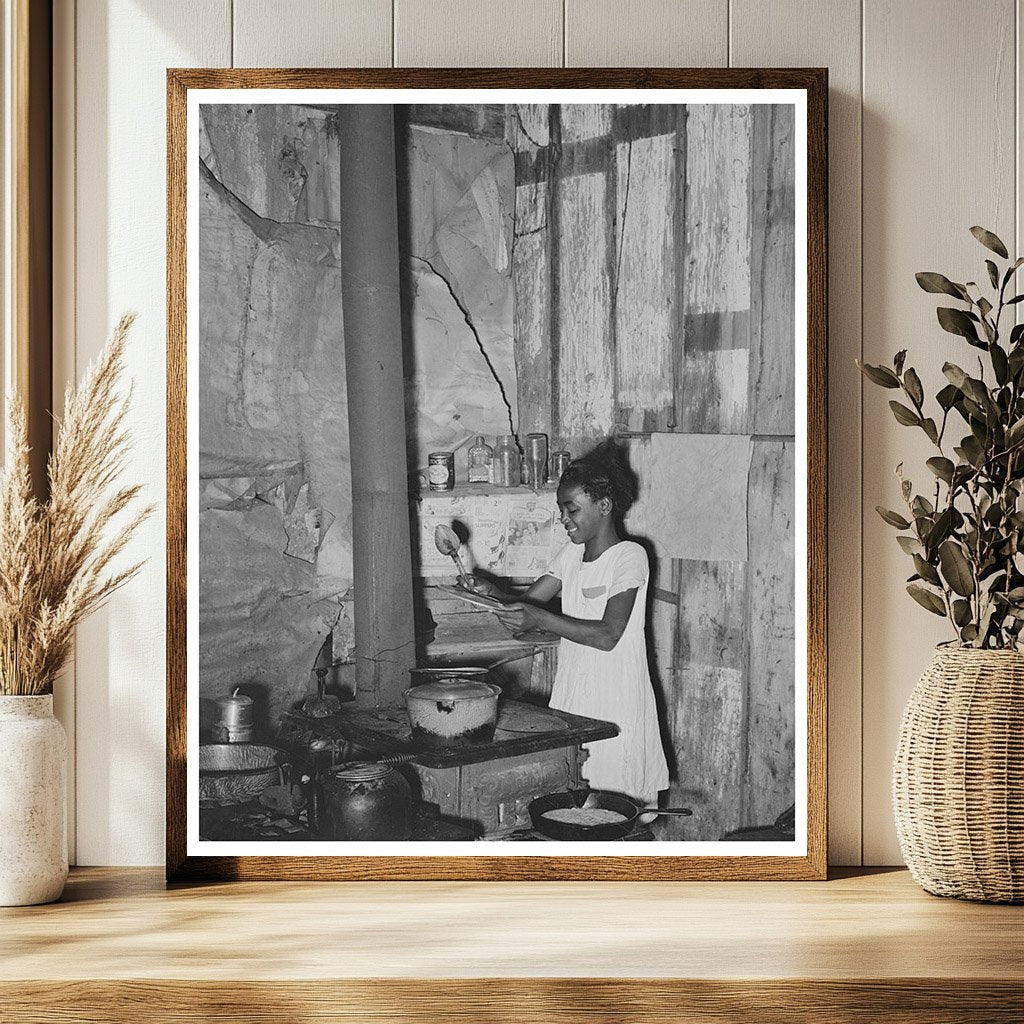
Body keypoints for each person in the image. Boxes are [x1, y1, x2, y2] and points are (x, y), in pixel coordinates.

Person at [461, 440, 669, 807]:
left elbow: (608, 635)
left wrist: (539, 618)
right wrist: (488, 588)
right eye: (561, 510)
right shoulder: (571, 554)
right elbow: (529, 604)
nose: (563, 519)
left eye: (571, 509)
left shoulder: (629, 557)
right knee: (572, 798)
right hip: (574, 692)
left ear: (604, 506)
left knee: (612, 806)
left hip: (615, 699)